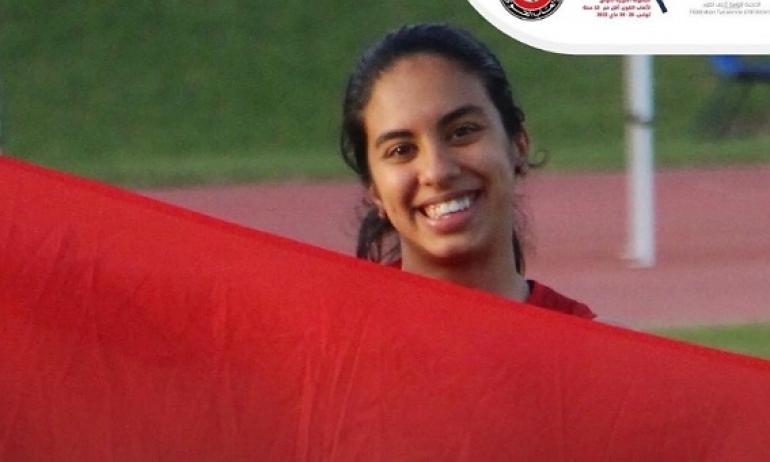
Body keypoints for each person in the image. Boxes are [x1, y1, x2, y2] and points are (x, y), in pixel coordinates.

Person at [339, 23, 596, 320]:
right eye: (400, 150)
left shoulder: (590, 343)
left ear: (518, 145)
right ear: (374, 189)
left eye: (462, 132)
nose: (437, 171)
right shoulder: (333, 336)